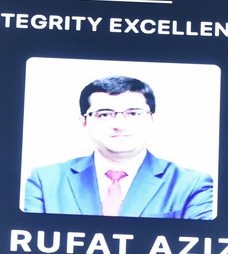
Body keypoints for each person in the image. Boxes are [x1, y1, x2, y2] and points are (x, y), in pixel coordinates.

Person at [23, 76, 214, 220]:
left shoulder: (192, 185)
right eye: (105, 114)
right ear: (84, 122)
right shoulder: (45, 181)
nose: (120, 125)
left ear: (151, 119)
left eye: (133, 113)